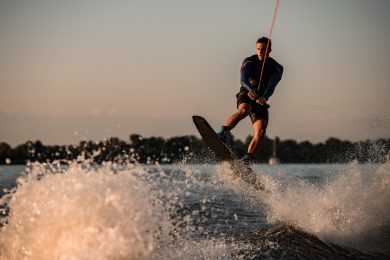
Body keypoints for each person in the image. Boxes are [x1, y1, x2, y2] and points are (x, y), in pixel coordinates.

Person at [217, 37, 283, 164]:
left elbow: (272, 85)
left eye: (263, 49)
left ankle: (248, 157)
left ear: (269, 50)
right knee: (245, 109)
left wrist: (265, 97)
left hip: (261, 99)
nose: (260, 52)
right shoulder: (249, 61)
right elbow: (243, 79)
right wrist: (251, 90)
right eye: (258, 49)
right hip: (247, 93)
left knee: (261, 130)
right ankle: (223, 132)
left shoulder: (277, 67)